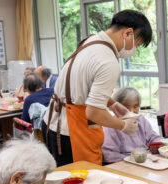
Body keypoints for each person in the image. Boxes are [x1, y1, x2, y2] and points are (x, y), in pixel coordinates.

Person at [42, 9, 152, 167]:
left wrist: (112, 103)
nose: (134, 50)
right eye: (137, 43)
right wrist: (123, 126)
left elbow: (81, 86)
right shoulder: (108, 61)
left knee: (65, 182)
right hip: (70, 132)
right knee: (83, 181)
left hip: (53, 122)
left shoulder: (90, 42)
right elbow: (93, 112)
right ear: (128, 33)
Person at [102, 87, 160, 163]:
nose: (131, 111)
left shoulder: (141, 120)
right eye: (126, 107)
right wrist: (133, 159)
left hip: (145, 159)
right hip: (124, 163)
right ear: (117, 107)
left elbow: (153, 137)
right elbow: (109, 155)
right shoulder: (111, 125)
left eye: (135, 106)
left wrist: (158, 148)